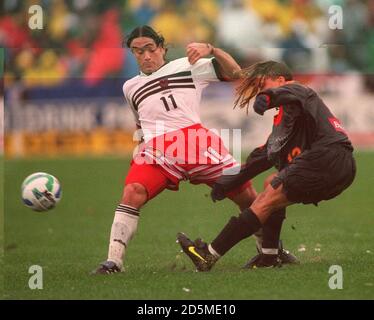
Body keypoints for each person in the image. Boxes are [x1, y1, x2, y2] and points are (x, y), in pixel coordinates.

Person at [93, 26, 297, 274]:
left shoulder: (187, 66)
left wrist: (211, 49)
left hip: (196, 141)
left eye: (150, 49)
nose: (145, 56)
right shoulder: (130, 87)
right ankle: (114, 261)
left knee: (247, 197)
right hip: (157, 148)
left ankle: (271, 251)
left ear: (162, 49)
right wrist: (139, 150)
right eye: (138, 51)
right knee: (132, 192)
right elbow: (142, 122)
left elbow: (234, 72)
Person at [177, 60, 356, 271]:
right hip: (335, 167)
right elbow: (263, 156)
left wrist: (268, 96)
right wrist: (228, 181)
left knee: (267, 198)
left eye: (263, 85)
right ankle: (269, 256)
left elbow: (291, 91)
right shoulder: (284, 118)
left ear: (281, 80)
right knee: (271, 182)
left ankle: (209, 254)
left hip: (328, 158)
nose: (259, 92)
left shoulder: (300, 90)